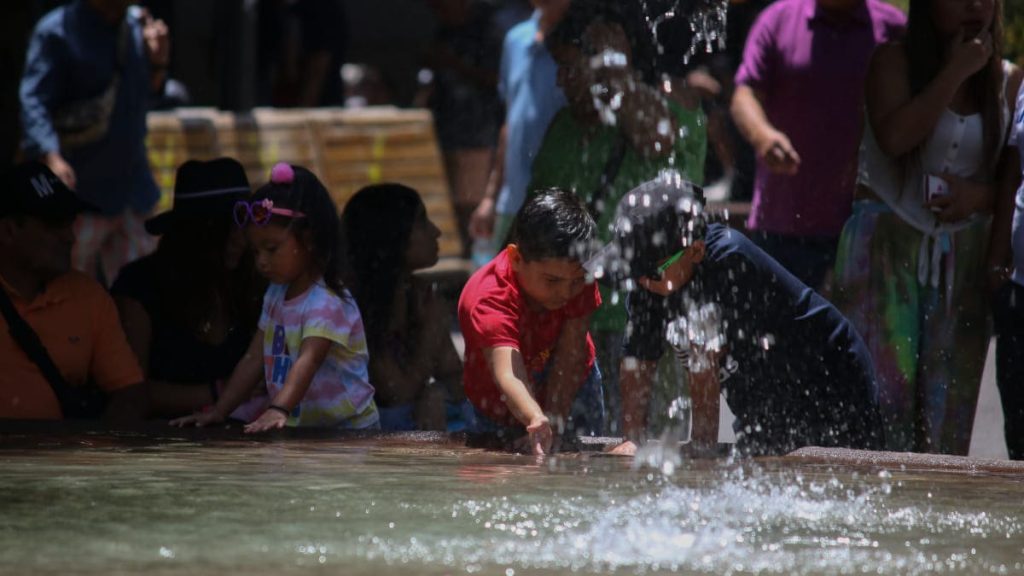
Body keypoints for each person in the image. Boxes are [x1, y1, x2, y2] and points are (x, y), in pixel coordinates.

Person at [831, 0, 1022, 454]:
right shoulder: (892, 62)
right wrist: (954, 72)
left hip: (963, 260)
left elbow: (1013, 179)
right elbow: (895, 137)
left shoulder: (1011, 80)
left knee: (946, 427)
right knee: (883, 414)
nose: (975, 6)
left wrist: (979, 198)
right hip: (884, 251)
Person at [590, 174, 883, 457]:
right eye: (632, 271)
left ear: (695, 250)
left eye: (648, 270)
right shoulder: (652, 278)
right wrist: (633, 439)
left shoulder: (728, 262)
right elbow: (638, 361)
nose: (640, 281)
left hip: (829, 378)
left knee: (841, 483)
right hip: (763, 391)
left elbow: (703, 368)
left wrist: (702, 447)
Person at [527, 1, 706, 434]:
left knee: (655, 447)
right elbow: (531, 225)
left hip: (650, 318)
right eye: (559, 67)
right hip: (573, 322)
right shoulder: (563, 128)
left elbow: (656, 138)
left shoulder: (666, 107)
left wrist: (614, 73)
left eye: (573, 68)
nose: (561, 80)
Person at [171, 163, 379, 432]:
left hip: (350, 430)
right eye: (255, 251)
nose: (261, 262)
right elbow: (254, 358)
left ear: (310, 238)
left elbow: (309, 360)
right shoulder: (276, 293)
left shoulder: (326, 300)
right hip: (303, 427)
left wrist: (277, 408)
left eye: (271, 249)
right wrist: (220, 411)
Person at [730, 0, 906, 290]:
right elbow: (744, 95)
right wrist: (764, 136)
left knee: (864, 336)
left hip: (870, 227)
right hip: (784, 229)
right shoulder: (778, 19)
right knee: (783, 333)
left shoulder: (893, 27)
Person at [19, 0, 172, 285]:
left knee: (143, 293)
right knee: (66, 288)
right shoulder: (56, 31)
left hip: (133, 193)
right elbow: (34, 102)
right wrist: (50, 156)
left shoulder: (137, 27)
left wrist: (159, 63)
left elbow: (146, 95)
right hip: (81, 194)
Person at [111, 158, 264, 419]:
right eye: (227, 225)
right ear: (195, 234)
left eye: (245, 223)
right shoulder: (140, 287)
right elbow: (130, 394)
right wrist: (223, 392)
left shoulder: (261, 282)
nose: (240, 237)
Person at [458, 189, 605, 455]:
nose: (565, 293)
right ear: (516, 258)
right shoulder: (488, 296)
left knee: (585, 472)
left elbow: (571, 354)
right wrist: (536, 418)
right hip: (496, 402)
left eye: (575, 281)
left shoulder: (579, 276)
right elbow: (507, 373)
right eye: (552, 281)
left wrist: (555, 421)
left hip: (573, 386)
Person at [0, 161, 147, 421]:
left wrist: (95, 451)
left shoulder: (89, 298)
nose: (70, 237)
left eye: (70, 223)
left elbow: (128, 393)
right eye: (54, 224)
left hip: (65, 456)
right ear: (9, 231)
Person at [341, 183, 466, 431]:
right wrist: (431, 328)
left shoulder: (416, 294)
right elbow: (396, 393)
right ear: (391, 234)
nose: (436, 232)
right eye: (422, 222)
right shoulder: (357, 307)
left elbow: (455, 380)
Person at [468, 0, 571, 259]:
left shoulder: (585, 40)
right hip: (513, 199)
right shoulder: (515, 39)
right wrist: (491, 197)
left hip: (564, 201)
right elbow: (511, 122)